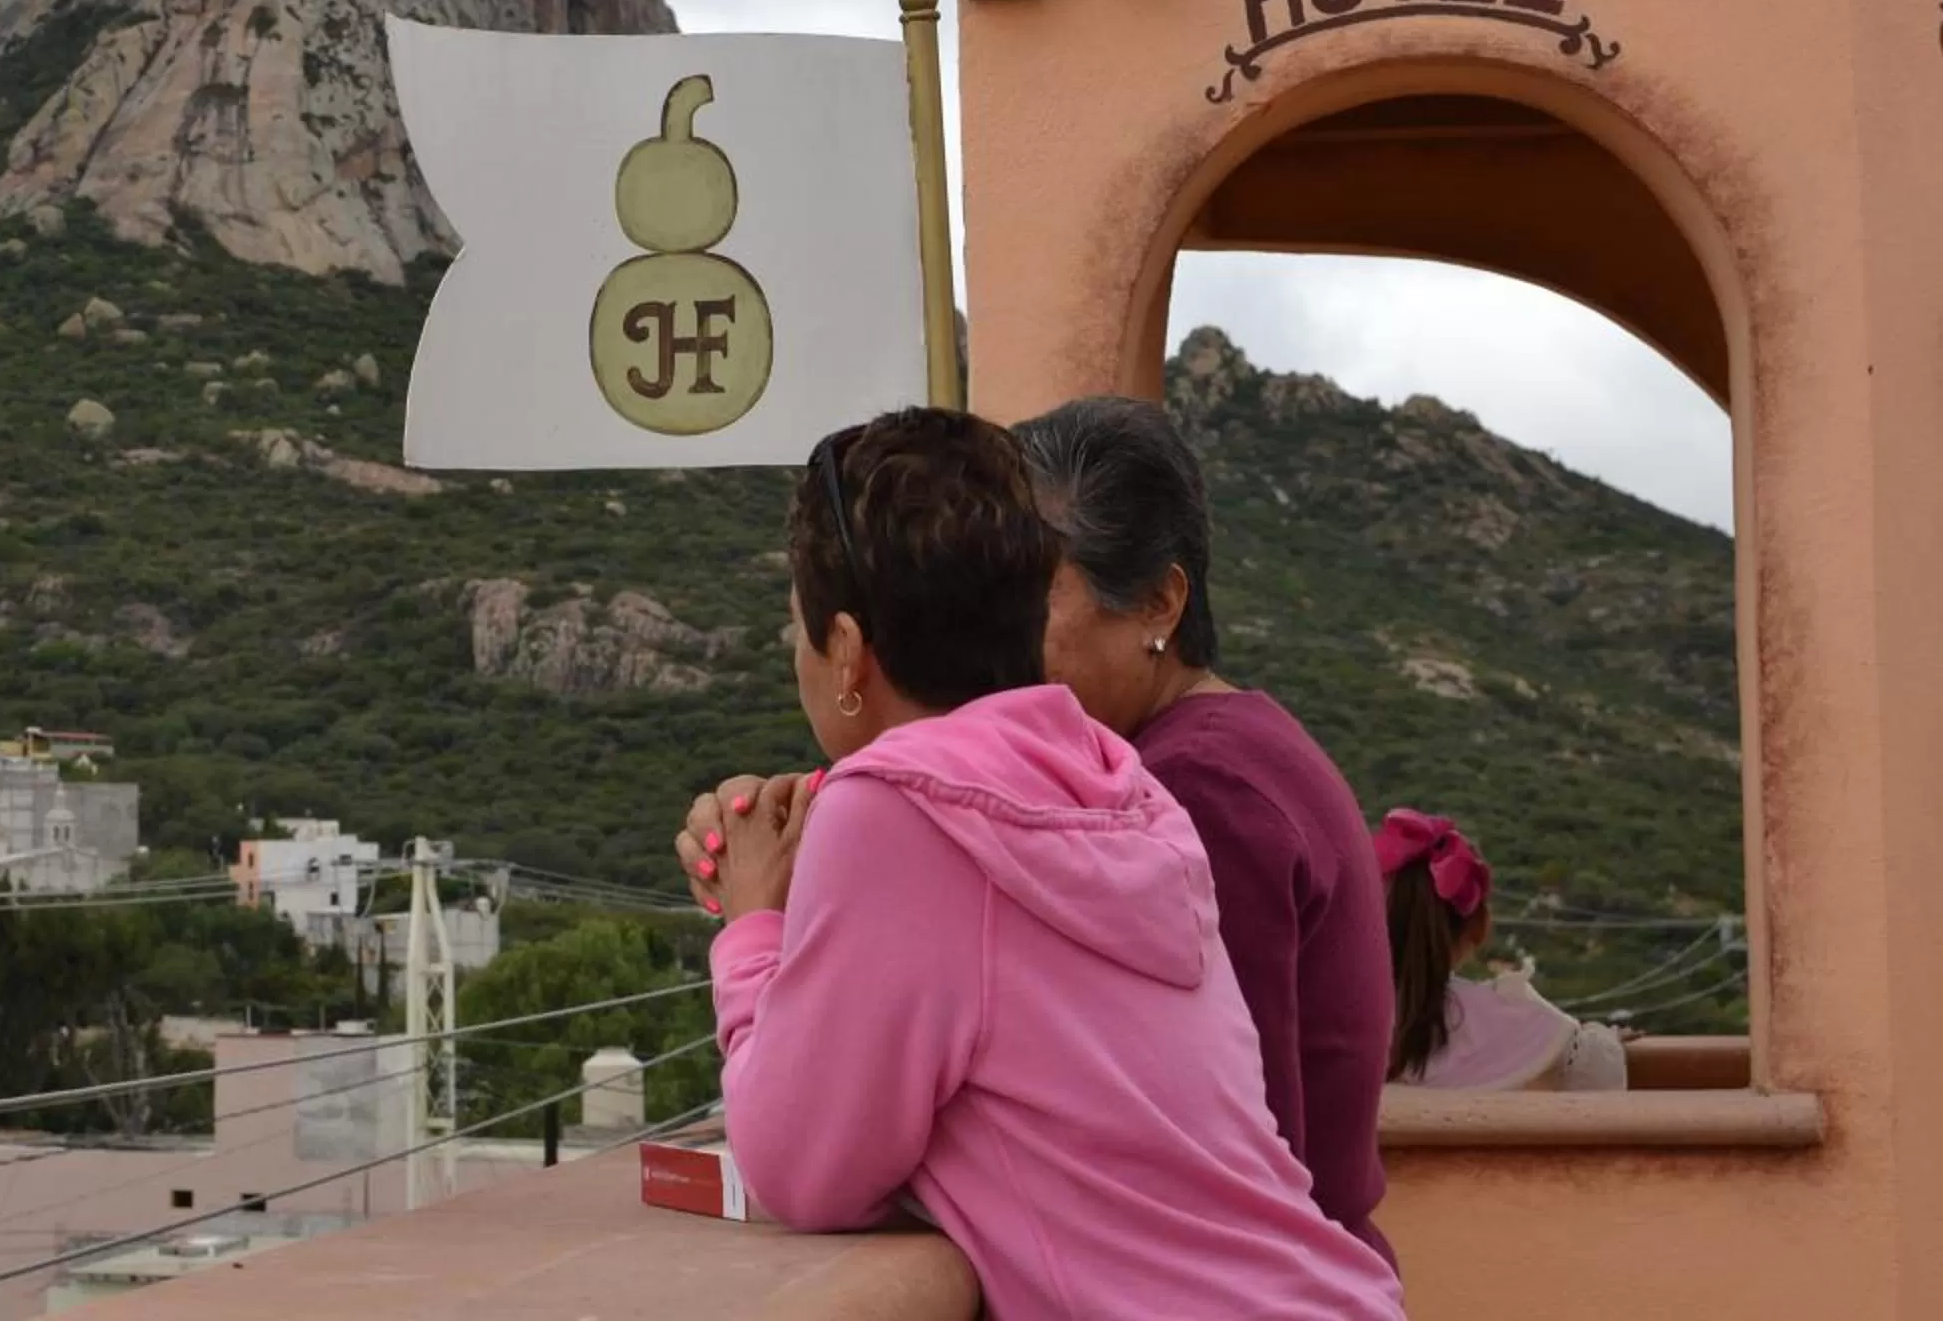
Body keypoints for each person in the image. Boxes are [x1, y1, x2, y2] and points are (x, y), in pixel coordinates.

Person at [691, 408, 1403, 1320]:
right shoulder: (1124, 787)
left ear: (845, 652)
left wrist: (755, 927)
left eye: (795, 631)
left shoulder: (897, 815)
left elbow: (804, 1169)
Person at [1008, 395, 1397, 1264]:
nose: (996, 638)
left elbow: (1230, 1152)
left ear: (1157, 602)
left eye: (1030, 595)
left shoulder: (1195, 792)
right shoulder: (1231, 750)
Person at [1380, 808, 1629, 1090]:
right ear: (1478, 928)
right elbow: (1594, 1067)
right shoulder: (1523, 1026)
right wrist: (1608, 1039)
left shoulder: (1332, 1018)